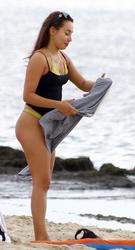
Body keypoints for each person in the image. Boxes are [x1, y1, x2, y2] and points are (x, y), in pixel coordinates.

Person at [15, 11, 96, 241]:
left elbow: (83, 84)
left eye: (72, 34)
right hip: (30, 123)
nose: (70, 38)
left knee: (45, 183)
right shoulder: (40, 58)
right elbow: (27, 95)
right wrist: (60, 105)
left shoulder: (63, 59)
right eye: (66, 33)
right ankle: (41, 237)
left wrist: (101, 85)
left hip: (49, 128)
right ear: (53, 31)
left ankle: (41, 235)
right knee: (42, 181)